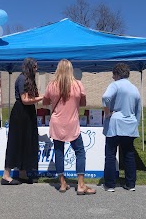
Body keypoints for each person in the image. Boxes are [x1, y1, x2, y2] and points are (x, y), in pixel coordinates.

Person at [43, 59, 96, 195]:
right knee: (80, 152)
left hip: (56, 122)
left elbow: (45, 102)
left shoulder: (51, 85)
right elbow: (83, 103)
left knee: (59, 151)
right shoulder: (78, 85)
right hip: (72, 123)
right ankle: (81, 184)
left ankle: (62, 184)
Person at [1, 58, 43, 185]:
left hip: (29, 112)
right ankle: (6, 176)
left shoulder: (30, 80)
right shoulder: (22, 79)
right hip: (20, 112)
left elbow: (32, 97)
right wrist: (42, 97)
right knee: (16, 142)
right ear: (30, 67)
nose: (37, 69)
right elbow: (25, 100)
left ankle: (23, 173)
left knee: (28, 141)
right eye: (35, 67)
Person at [102, 63, 140, 192]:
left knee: (111, 154)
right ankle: (130, 184)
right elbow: (138, 109)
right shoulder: (134, 88)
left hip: (115, 124)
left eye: (113, 75)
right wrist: (136, 124)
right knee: (129, 154)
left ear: (117, 74)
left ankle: (110, 184)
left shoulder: (115, 85)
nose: (113, 77)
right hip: (130, 124)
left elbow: (106, 97)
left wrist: (107, 113)